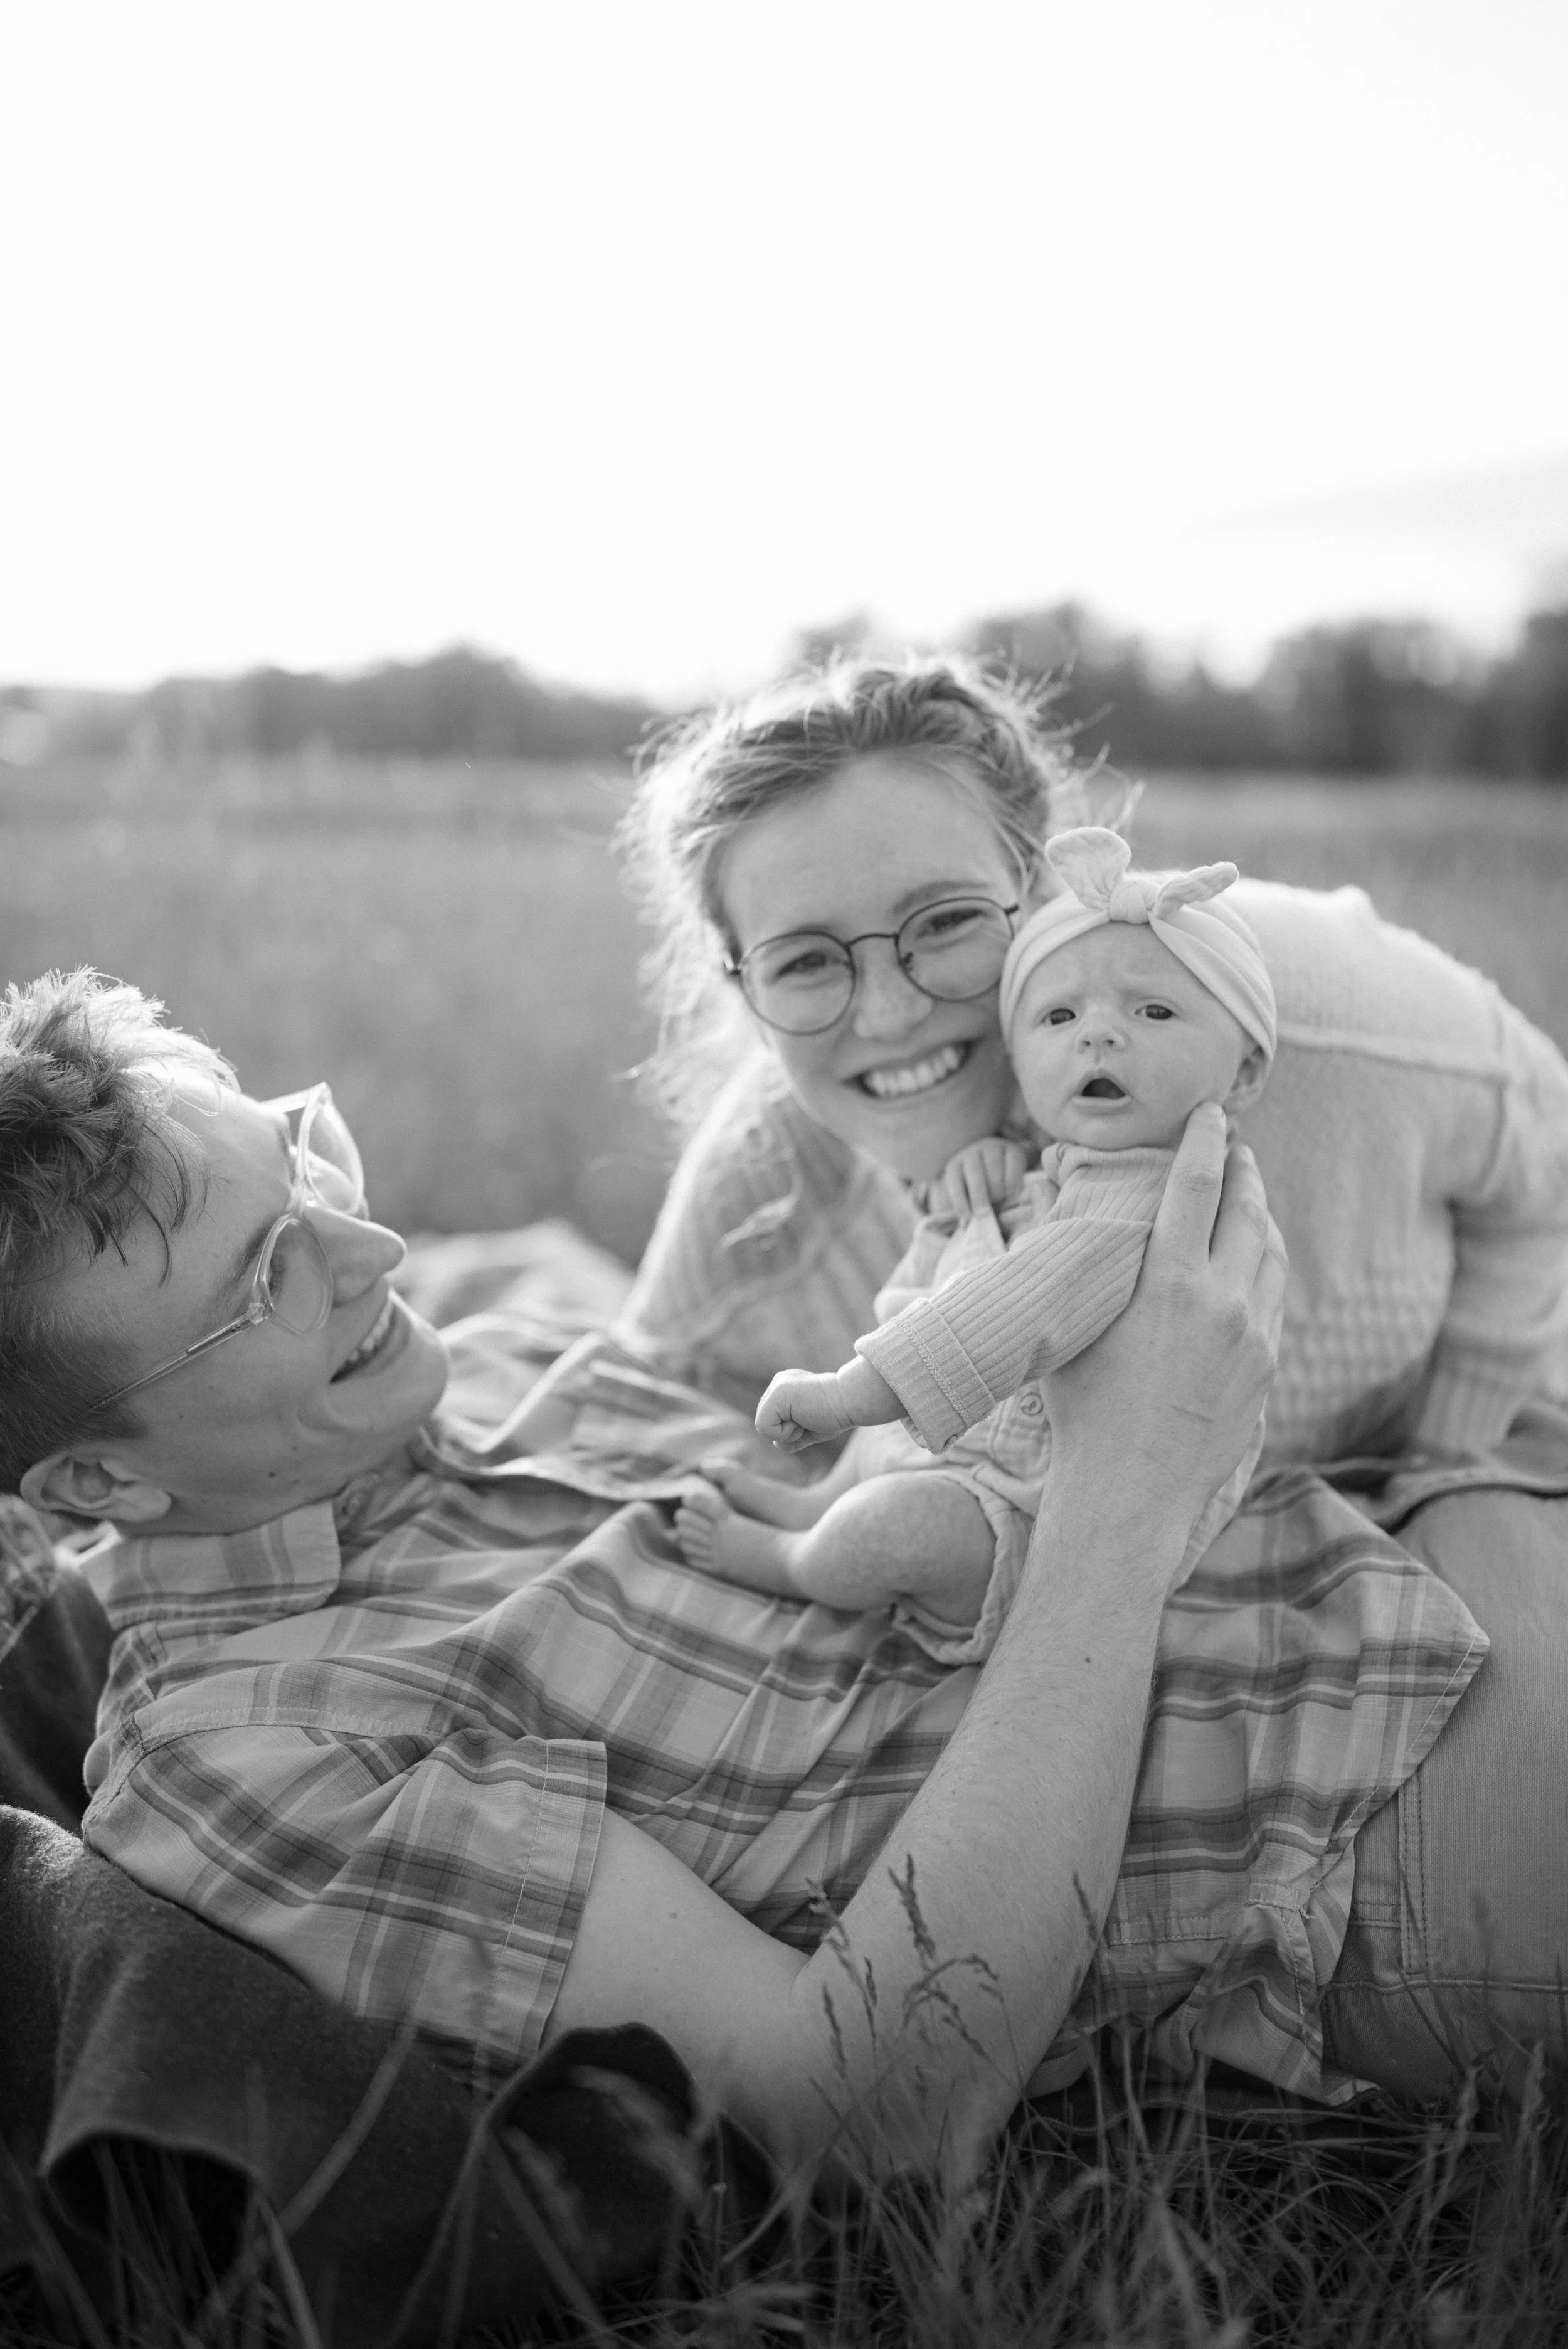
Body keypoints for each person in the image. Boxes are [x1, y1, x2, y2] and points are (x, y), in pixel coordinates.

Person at [9, 968, 1565, 2192]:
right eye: (271, 1272)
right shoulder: (253, 1765)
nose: (373, 1245)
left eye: (300, 1155)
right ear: (97, 1484)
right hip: (1386, 1823)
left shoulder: (472, 1368)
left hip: (1416, 1525)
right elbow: (870, 2103)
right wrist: (1122, 1501)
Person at [615, 656, 1568, 1464]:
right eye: (807, 960)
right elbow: (639, 1392)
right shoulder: (771, 1154)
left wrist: (1449, 1456)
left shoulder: (1280, 1005)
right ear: (740, 983)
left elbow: (1547, 1131)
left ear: (1048, 886)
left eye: (946, 921)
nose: (892, 1011)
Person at [674, 827, 1278, 1659]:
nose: (1097, 1036)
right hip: (987, 1463)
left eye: (1156, 1012)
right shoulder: (1072, 1174)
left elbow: (1014, 1308)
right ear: (1019, 1055)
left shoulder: (1148, 1202)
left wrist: (849, 1392)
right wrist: (996, 1193)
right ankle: (814, 1504)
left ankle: (791, 1557)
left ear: (1245, 1070)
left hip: (1038, 1523)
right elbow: (1007, 1255)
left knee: (899, 1530)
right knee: (886, 1460)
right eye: (1060, 1016)